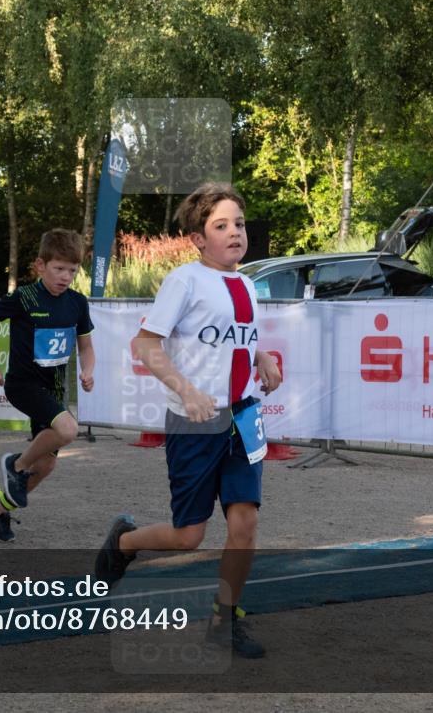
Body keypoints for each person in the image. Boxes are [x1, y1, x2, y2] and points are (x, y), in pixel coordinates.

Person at [94, 183, 282, 658]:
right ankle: (126, 543)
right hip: (193, 423)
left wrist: (260, 356)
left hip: (242, 417)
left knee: (245, 525)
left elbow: (233, 336)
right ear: (199, 239)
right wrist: (187, 390)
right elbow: (146, 345)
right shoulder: (184, 280)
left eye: (238, 223)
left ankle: (225, 617)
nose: (235, 233)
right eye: (221, 226)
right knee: (189, 535)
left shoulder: (246, 283)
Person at [0, 228, 95, 543]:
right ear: (41, 265)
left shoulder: (78, 303)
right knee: (68, 430)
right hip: (23, 385)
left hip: (53, 390)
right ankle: (16, 463)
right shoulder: (24, 297)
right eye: (59, 269)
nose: (65, 276)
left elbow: (86, 347)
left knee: (48, 465)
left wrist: (88, 370)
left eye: (72, 270)